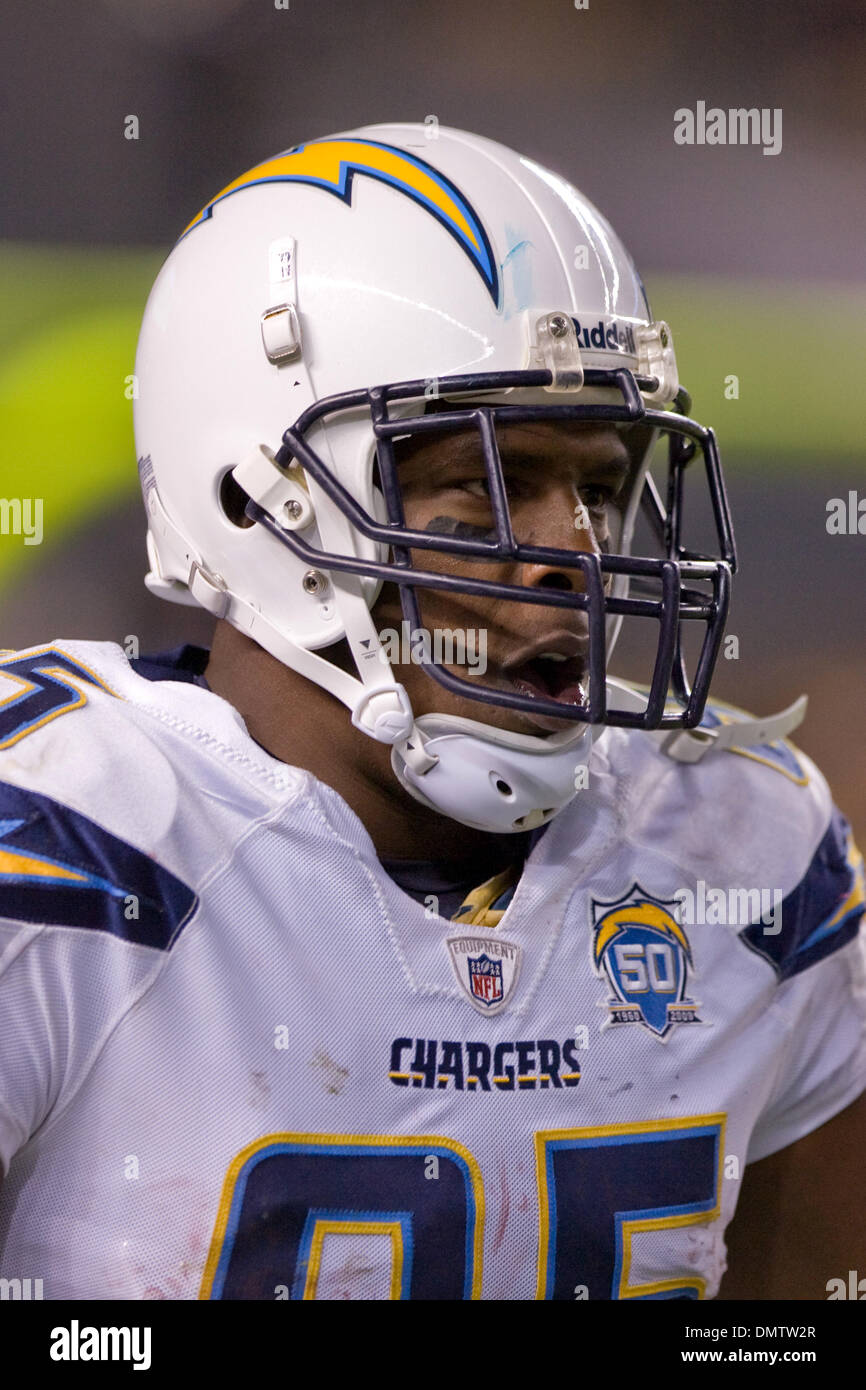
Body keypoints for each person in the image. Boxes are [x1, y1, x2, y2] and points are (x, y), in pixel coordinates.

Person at [0, 123, 863, 1302]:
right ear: (252, 499)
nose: (572, 549)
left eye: (599, 486)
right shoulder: (65, 849)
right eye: (481, 481)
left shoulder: (743, 848)